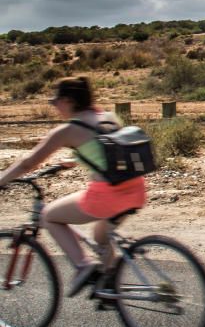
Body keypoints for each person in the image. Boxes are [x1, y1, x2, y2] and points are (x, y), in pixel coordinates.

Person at [0, 77, 146, 296]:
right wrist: (74, 159)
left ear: (67, 100)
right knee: (100, 238)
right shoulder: (105, 116)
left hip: (106, 197)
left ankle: (83, 265)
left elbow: (27, 163)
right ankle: (109, 286)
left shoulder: (67, 130)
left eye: (55, 101)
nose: (54, 107)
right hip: (135, 190)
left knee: (49, 216)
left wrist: (2, 180)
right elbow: (110, 149)